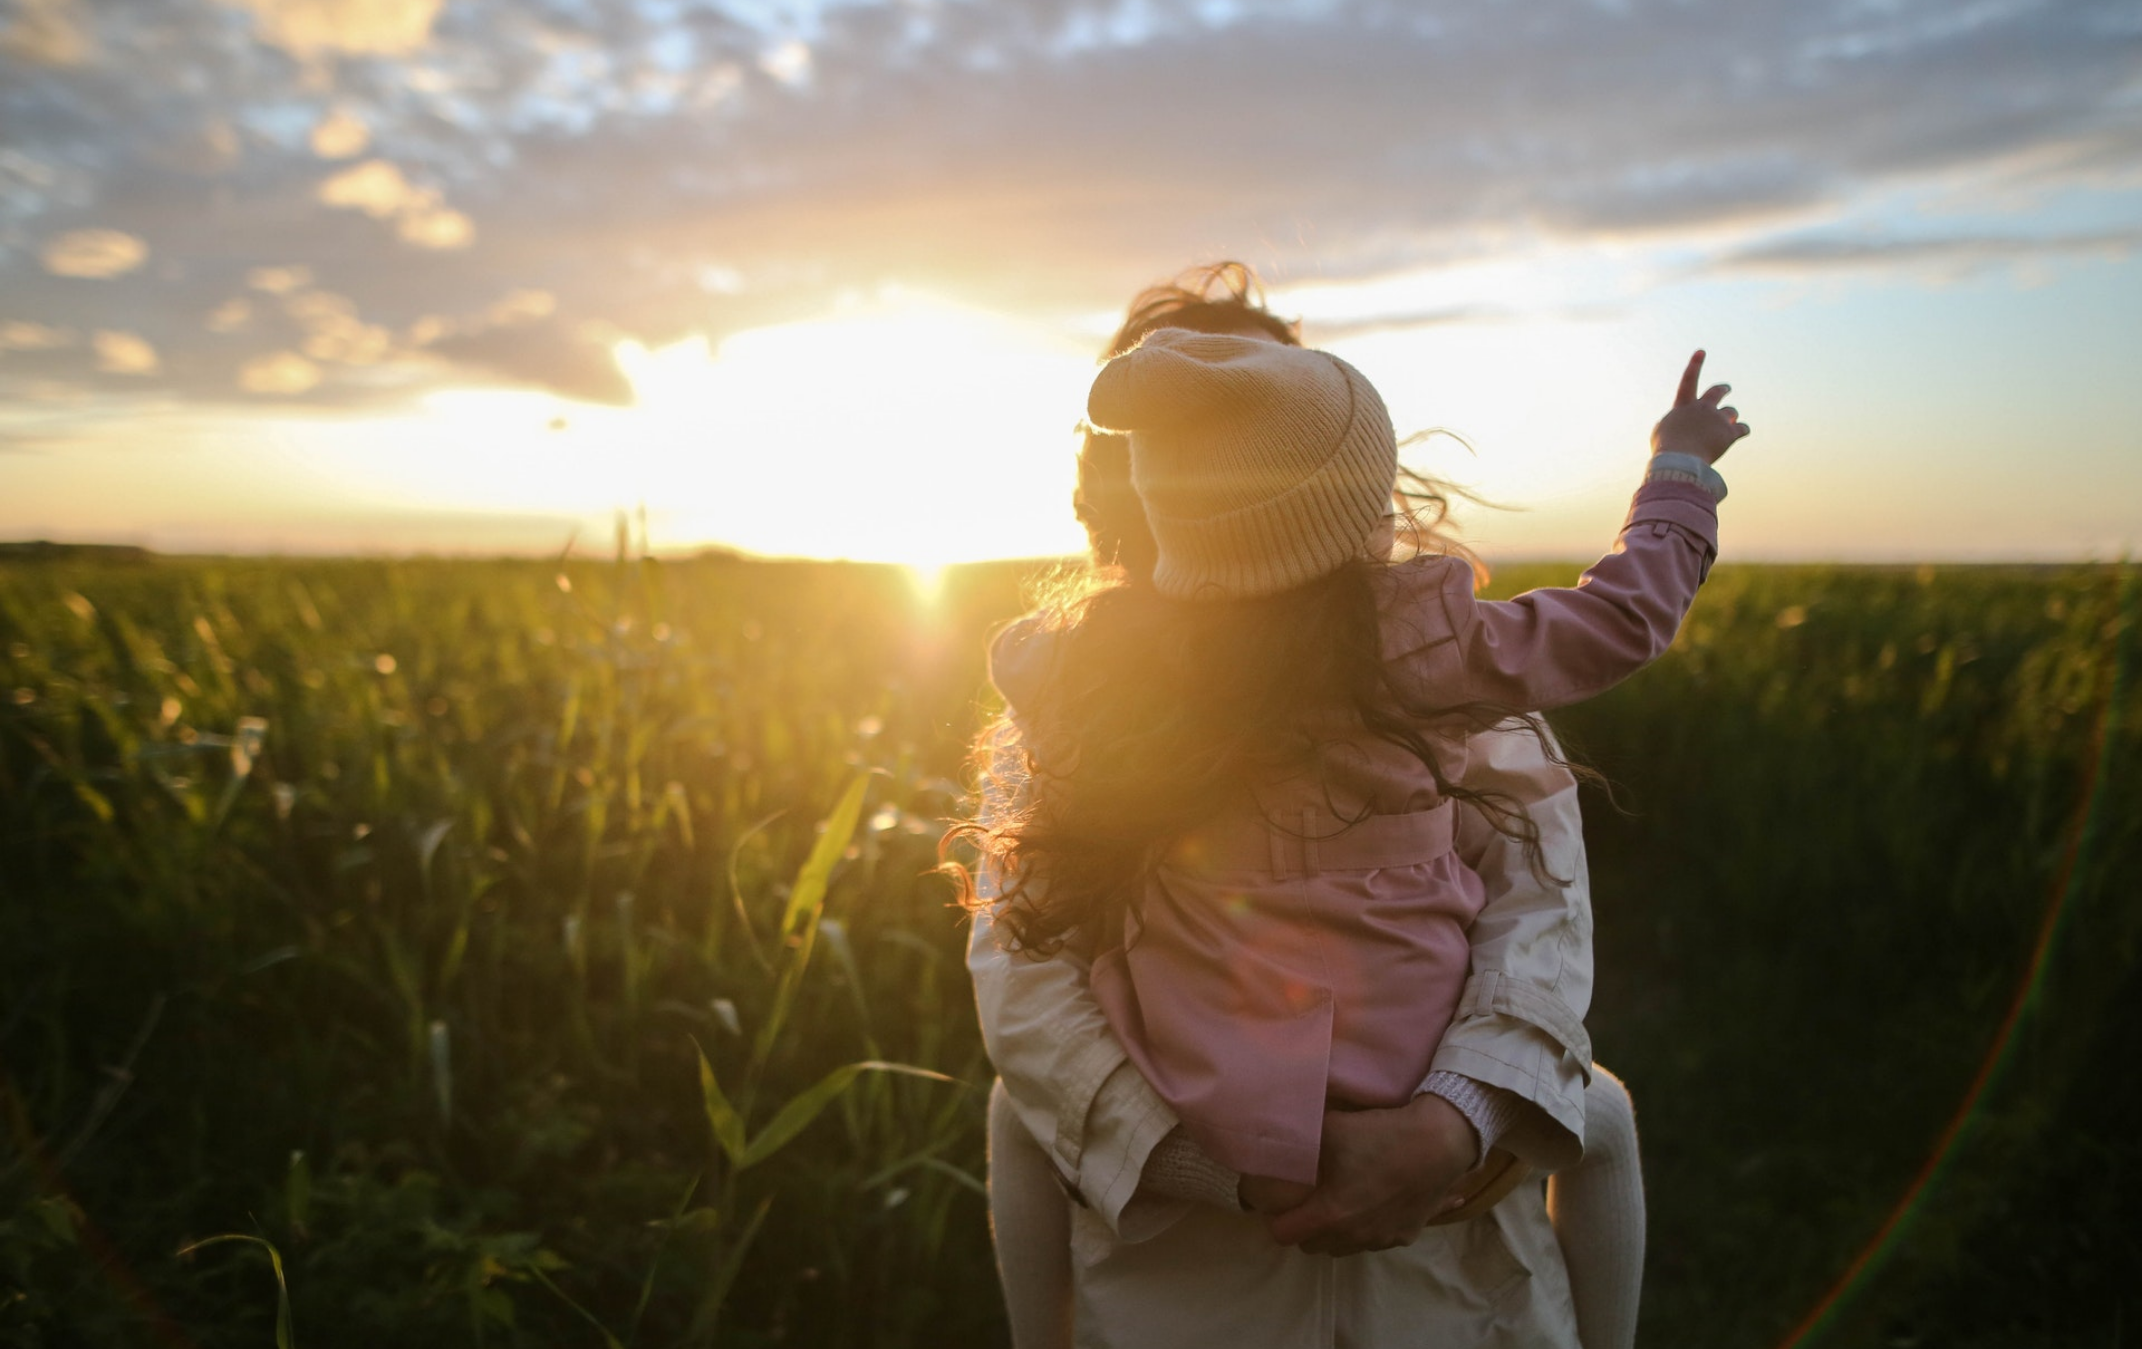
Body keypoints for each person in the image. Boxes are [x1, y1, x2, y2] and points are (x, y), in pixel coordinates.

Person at [959, 266, 1742, 1347]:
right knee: (1598, 1109)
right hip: (1179, 1280)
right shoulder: (1428, 658)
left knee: (1593, 1103)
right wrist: (1682, 477)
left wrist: (1449, 1125)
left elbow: (1538, 921)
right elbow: (1026, 982)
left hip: (1452, 1269)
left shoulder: (1097, 678)